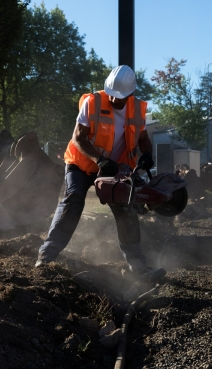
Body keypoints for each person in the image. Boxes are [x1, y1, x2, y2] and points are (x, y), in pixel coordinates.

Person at [36, 65, 166, 282]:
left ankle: (139, 267)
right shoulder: (93, 102)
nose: (115, 100)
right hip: (82, 165)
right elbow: (78, 138)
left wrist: (147, 155)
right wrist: (99, 160)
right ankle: (46, 255)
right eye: (112, 95)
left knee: (126, 211)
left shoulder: (138, 109)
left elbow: (143, 139)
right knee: (74, 199)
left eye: (120, 97)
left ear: (131, 94)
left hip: (116, 170)